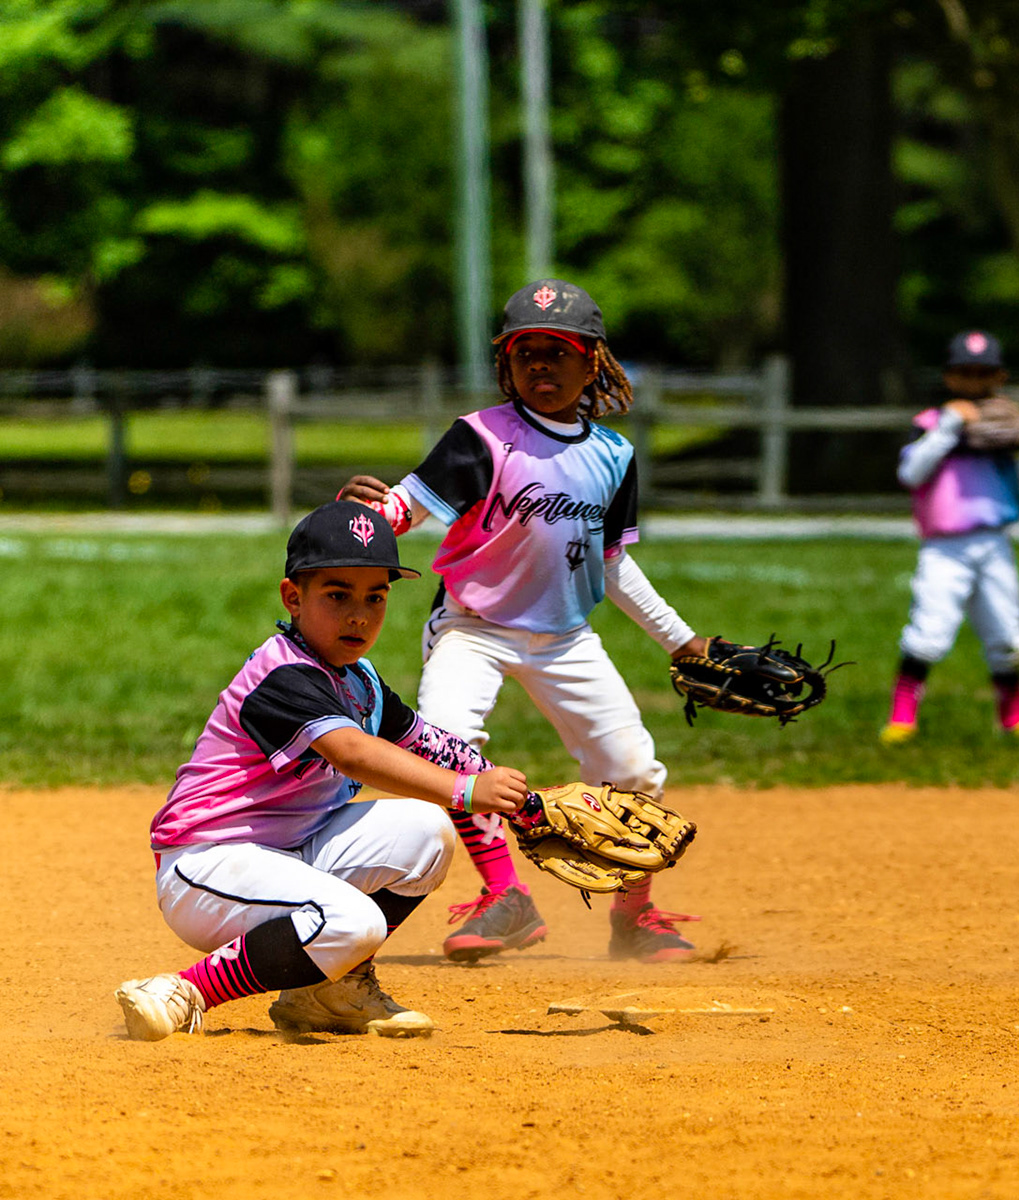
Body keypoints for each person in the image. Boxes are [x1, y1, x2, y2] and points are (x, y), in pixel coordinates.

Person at [339, 278, 711, 964]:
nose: (541, 365)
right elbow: (408, 509)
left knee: (634, 770)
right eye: (525, 352)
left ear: (593, 361)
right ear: (505, 364)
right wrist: (365, 517)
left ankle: (636, 917)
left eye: (559, 351)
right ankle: (505, 895)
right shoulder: (480, 438)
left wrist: (681, 640)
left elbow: (613, 565)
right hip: (472, 627)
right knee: (446, 746)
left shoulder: (613, 456)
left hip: (568, 637)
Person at [116, 501, 530, 1040]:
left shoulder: (361, 681)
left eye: (375, 597)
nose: (359, 614)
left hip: (290, 854)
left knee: (428, 834)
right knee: (356, 922)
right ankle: (185, 990)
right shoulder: (282, 674)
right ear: (293, 597)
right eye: (338, 595)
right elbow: (354, 753)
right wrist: (466, 790)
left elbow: (428, 744)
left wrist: (527, 805)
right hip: (208, 866)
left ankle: (326, 994)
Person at [881, 329, 1019, 743]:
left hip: (994, 542)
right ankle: (902, 717)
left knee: (1006, 633)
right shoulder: (931, 424)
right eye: (965, 373)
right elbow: (910, 473)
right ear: (950, 377)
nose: (975, 382)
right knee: (929, 630)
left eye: (984, 373)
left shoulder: (1007, 428)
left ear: (1000, 376)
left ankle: (1014, 717)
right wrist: (950, 427)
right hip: (944, 546)